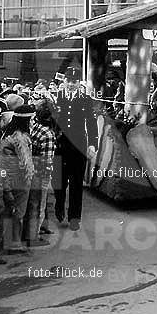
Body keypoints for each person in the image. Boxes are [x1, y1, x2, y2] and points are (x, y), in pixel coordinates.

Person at [53, 67, 97, 231]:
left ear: (79, 83)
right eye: (69, 81)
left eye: (75, 81)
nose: (71, 84)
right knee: (59, 181)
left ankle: (74, 218)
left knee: (77, 183)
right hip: (59, 146)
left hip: (79, 146)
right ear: (64, 81)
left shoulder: (86, 99)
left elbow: (91, 123)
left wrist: (93, 144)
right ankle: (59, 206)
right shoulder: (56, 98)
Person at [0, 103, 35, 252]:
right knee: (18, 212)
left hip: (5, 177)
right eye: (31, 119)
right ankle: (14, 243)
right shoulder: (20, 138)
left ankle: (3, 241)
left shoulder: (6, 133)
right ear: (26, 121)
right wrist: (29, 179)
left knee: (7, 210)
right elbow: (26, 162)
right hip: (19, 180)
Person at [26, 99, 56, 246]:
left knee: (32, 204)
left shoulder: (35, 127)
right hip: (41, 173)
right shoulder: (48, 134)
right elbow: (47, 160)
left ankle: (31, 232)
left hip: (32, 170)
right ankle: (34, 236)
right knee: (39, 206)